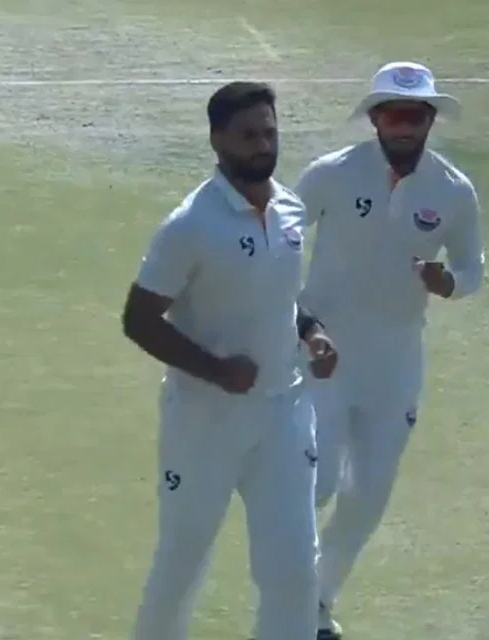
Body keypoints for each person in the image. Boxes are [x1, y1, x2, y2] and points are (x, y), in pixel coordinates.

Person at [121, 80, 340, 640]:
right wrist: (217, 370)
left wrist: (312, 334)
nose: (262, 145)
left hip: (285, 418)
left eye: (269, 132)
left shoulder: (291, 209)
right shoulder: (190, 226)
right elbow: (139, 320)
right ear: (218, 140)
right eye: (247, 136)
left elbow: (281, 299)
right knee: (181, 565)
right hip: (203, 422)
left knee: (293, 571)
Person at [294, 61, 486, 640]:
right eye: (394, 115)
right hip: (324, 355)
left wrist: (448, 283)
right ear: (376, 118)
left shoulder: (452, 190)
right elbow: (278, 248)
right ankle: (290, 593)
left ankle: (317, 605)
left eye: (416, 116)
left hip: (396, 363)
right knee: (319, 481)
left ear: (429, 120)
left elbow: (473, 267)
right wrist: (303, 326)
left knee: (367, 496)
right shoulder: (331, 174)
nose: (404, 126)